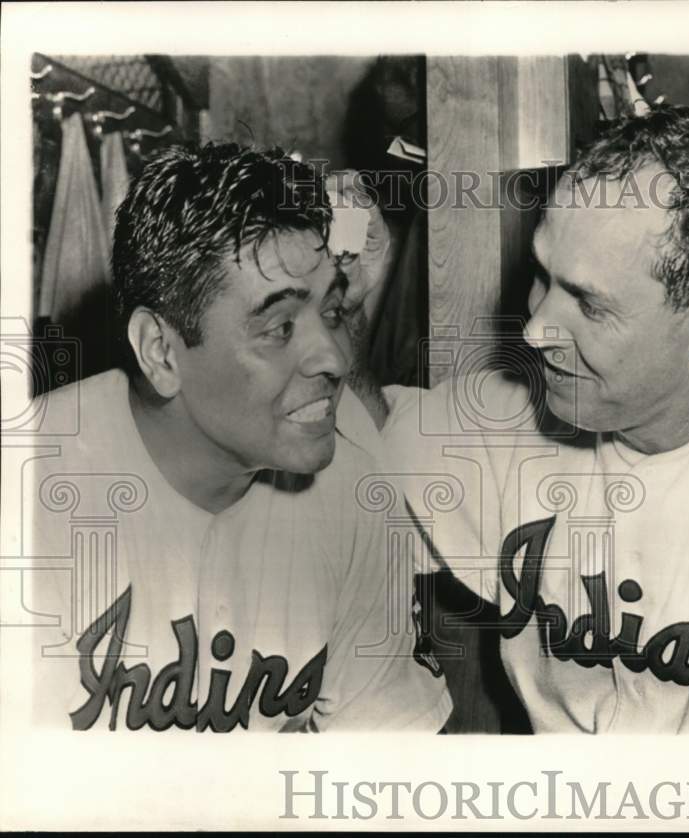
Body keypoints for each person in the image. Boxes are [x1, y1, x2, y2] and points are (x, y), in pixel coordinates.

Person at [382, 104, 689, 735]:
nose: (537, 329)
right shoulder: (531, 407)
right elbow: (349, 433)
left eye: (588, 304)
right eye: (542, 277)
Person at [27, 143, 451, 732]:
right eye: (279, 327)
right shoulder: (24, 494)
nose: (333, 356)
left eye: (332, 313)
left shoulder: (352, 489)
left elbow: (388, 770)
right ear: (160, 351)